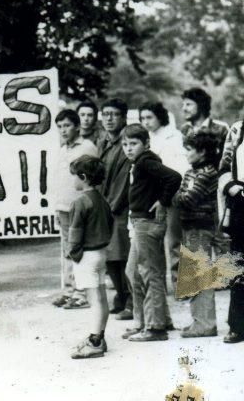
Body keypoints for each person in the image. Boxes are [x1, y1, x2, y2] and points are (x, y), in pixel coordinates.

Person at [120, 124, 182, 342]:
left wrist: (162, 201)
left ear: (146, 143)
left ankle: (156, 328)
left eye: (133, 144)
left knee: (150, 273)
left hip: (147, 223)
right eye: (125, 144)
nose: (128, 148)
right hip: (140, 222)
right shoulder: (139, 163)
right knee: (133, 271)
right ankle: (156, 320)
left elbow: (174, 177)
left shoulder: (146, 161)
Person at [172, 131, 221, 338]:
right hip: (189, 227)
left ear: (202, 152)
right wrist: (178, 195)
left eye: (190, 149)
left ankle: (205, 324)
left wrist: (172, 195)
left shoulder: (207, 173)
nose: (186, 153)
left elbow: (187, 199)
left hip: (201, 228)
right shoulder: (192, 173)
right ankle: (199, 321)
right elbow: (182, 194)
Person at [139, 101, 190, 290]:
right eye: (143, 118)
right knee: (154, 239)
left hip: (171, 193)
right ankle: (158, 283)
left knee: (174, 240)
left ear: (160, 117)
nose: (146, 122)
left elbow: (180, 169)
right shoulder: (145, 139)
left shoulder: (174, 137)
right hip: (150, 196)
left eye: (149, 117)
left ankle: (180, 282)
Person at [67, 155, 113, 359]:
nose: (73, 181)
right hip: (102, 252)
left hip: (87, 255)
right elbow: (110, 224)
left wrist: (73, 253)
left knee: (94, 301)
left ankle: (95, 342)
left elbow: (75, 231)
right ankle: (100, 337)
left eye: (75, 176)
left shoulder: (80, 202)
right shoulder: (101, 200)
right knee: (102, 299)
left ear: (83, 177)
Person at [52, 109, 98, 309]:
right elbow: (59, 181)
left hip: (80, 206)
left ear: (77, 127)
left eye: (67, 125)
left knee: (81, 249)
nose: (63, 130)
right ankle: (69, 290)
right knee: (67, 250)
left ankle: (82, 293)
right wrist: (56, 206)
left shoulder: (87, 147)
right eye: (60, 126)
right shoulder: (62, 150)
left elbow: (94, 178)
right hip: (63, 207)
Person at [96, 98, 133, 319]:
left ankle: (129, 299)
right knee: (109, 255)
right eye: (106, 114)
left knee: (123, 255)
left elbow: (123, 180)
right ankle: (120, 294)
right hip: (104, 206)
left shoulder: (126, 143)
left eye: (115, 114)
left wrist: (112, 207)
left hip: (120, 207)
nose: (109, 119)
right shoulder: (103, 143)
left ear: (123, 117)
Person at [219, 117, 244, 344]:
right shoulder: (237, 129)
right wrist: (232, 187)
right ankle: (237, 325)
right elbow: (224, 167)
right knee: (239, 266)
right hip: (241, 204)